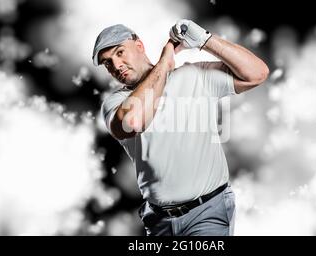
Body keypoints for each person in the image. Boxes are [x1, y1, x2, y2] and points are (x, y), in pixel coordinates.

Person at [93, 19, 269, 236]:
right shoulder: (115, 103)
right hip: (158, 221)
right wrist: (164, 63)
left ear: (139, 45)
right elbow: (134, 121)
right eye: (108, 63)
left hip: (207, 213)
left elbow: (257, 73)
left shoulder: (193, 76)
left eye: (120, 53)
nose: (116, 66)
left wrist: (205, 40)